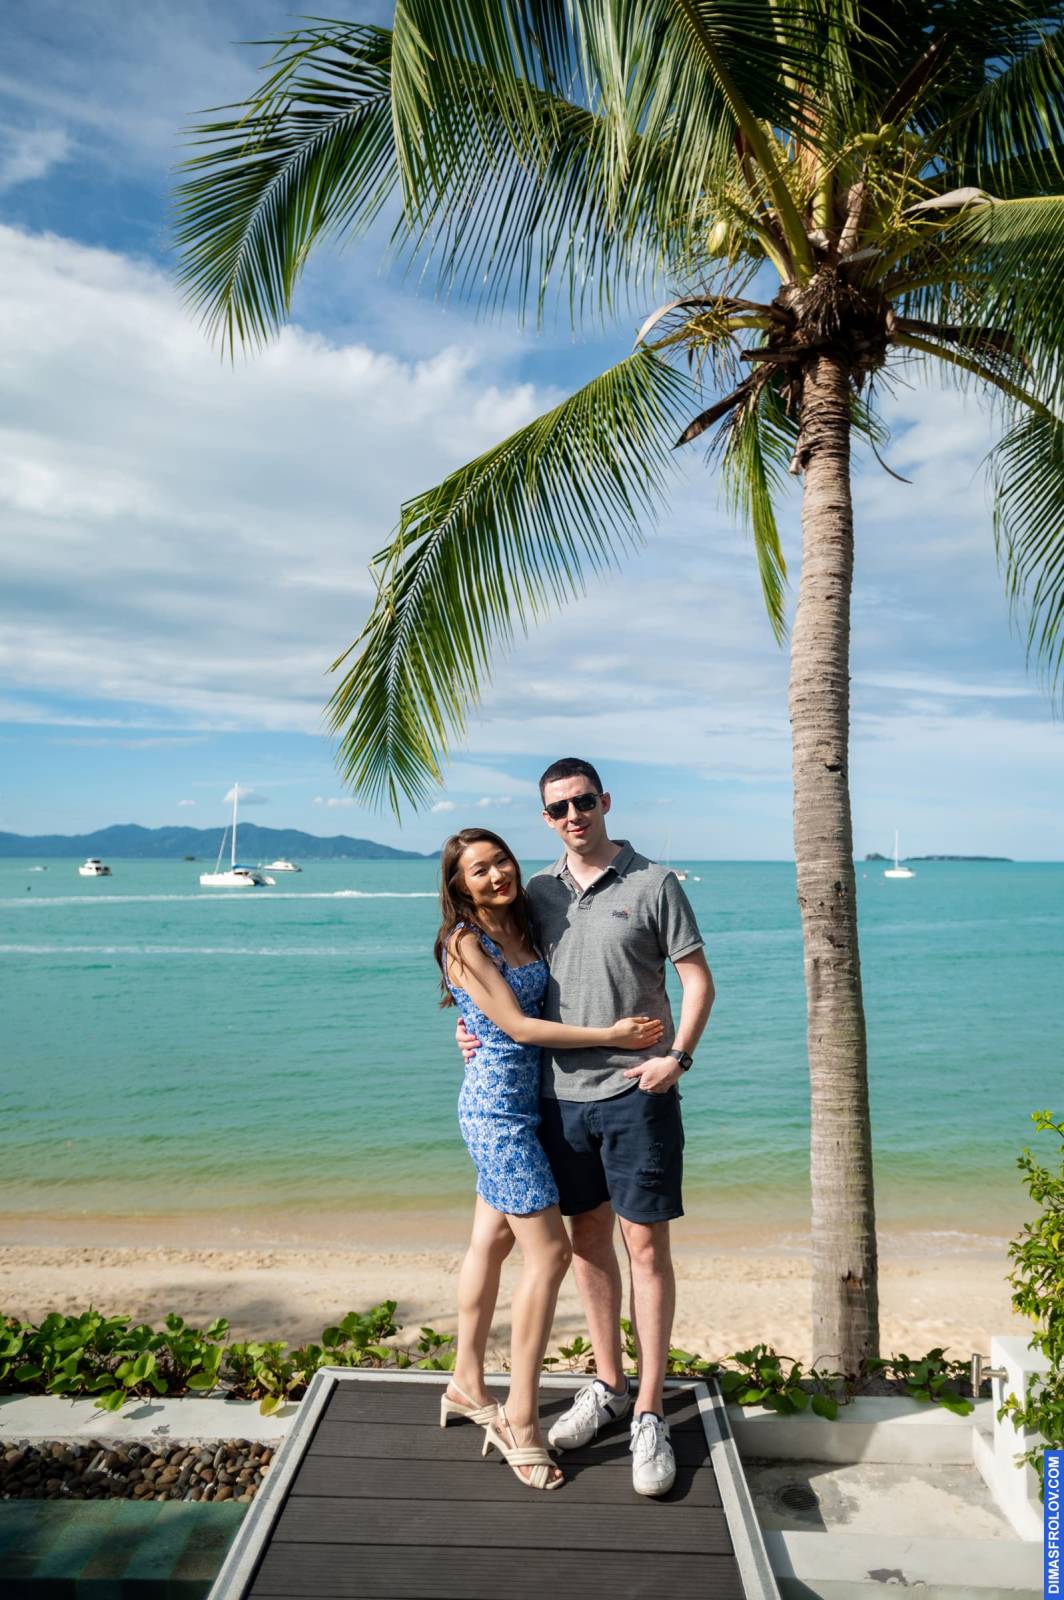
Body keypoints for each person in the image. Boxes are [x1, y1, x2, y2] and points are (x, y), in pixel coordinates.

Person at [458, 758, 714, 1496]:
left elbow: (698, 980)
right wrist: (470, 1030)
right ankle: (607, 1385)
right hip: (557, 1099)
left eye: (581, 802)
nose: (572, 816)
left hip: (638, 1093)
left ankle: (649, 1411)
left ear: (604, 801)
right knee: (588, 1241)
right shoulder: (536, 892)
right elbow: (497, 978)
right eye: (557, 808)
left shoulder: (654, 883)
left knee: (646, 1249)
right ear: (545, 818)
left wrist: (677, 1058)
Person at [435, 826, 665, 1492]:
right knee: (552, 1255)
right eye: (478, 871)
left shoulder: (523, 920)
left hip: (532, 1104)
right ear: (459, 886)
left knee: (490, 1244)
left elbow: (500, 1011)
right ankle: (520, 1419)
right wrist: (611, 1035)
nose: (496, 875)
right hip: (497, 1115)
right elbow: (516, 1026)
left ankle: (465, 1382)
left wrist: (468, 1025)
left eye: (500, 861)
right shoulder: (464, 942)